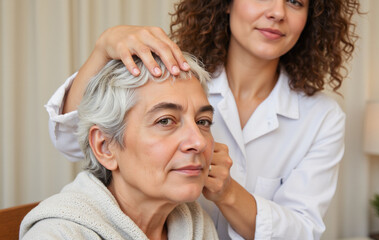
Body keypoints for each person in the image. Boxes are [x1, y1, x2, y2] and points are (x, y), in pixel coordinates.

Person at [46, 0, 361, 239]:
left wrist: (228, 193)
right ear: (225, 3)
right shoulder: (178, 78)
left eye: (295, 0)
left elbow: (302, 231)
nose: (278, 11)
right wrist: (103, 49)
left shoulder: (322, 117)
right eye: (168, 120)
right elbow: (76, 139)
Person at [20, 54, 219, 240]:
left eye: (203, 121)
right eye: (165, 121)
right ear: (105, 146)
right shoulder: (57, 234)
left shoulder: (197, 226)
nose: (199, 142)